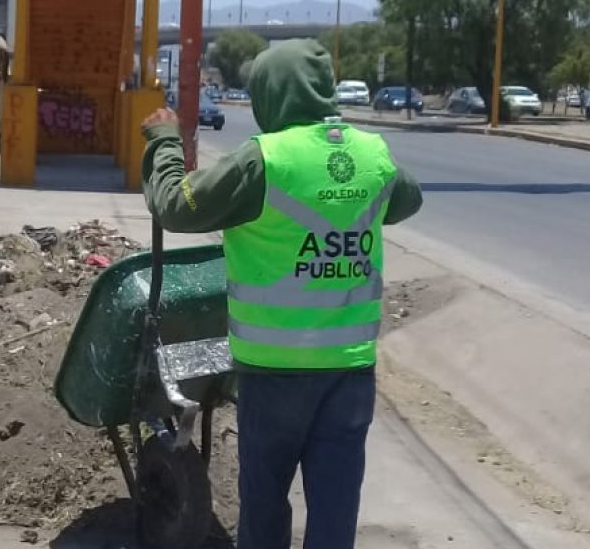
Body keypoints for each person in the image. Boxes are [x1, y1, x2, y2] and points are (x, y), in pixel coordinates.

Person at [139, 38, 423, 549]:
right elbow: (406, 199)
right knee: (336, 513)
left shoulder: (264, 161)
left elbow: (177, 208)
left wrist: (162, 141)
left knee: (266, 508)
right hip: (348, 371)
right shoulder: (370, 153)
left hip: (274, 376)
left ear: (269, 94)